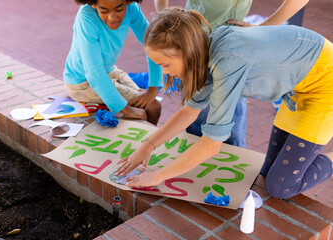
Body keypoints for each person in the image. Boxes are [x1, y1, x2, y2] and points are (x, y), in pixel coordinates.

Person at [116, 8, 333, 199]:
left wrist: (159, 176)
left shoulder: (226, 61)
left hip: (326, 82)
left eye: (165, 64)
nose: (164, 72)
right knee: (267, 174)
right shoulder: (204, 51)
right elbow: (188, 113)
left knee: (281, 187)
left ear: (187, 53)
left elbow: (212, 143)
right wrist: (147, 147)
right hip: (301, 85)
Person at [154, 0, 309, 148]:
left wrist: (262, 28)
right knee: (195, 131)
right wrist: (166, 26)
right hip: (193, 57)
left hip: (227, 62)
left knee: (227, 141)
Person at [63, 0, 163, 125]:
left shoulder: (132, 9)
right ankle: (139, 144)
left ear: (128, 1)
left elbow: (153, 45)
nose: (112, 18)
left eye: (119, 9)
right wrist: (126, 110)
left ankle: (150, 144)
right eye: (104, 11)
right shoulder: (86, 18)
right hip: (82, 83)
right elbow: (94, 74)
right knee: (141, 114)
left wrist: (153, 90)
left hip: (109, 71)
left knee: (154, 107)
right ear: (93, 4)